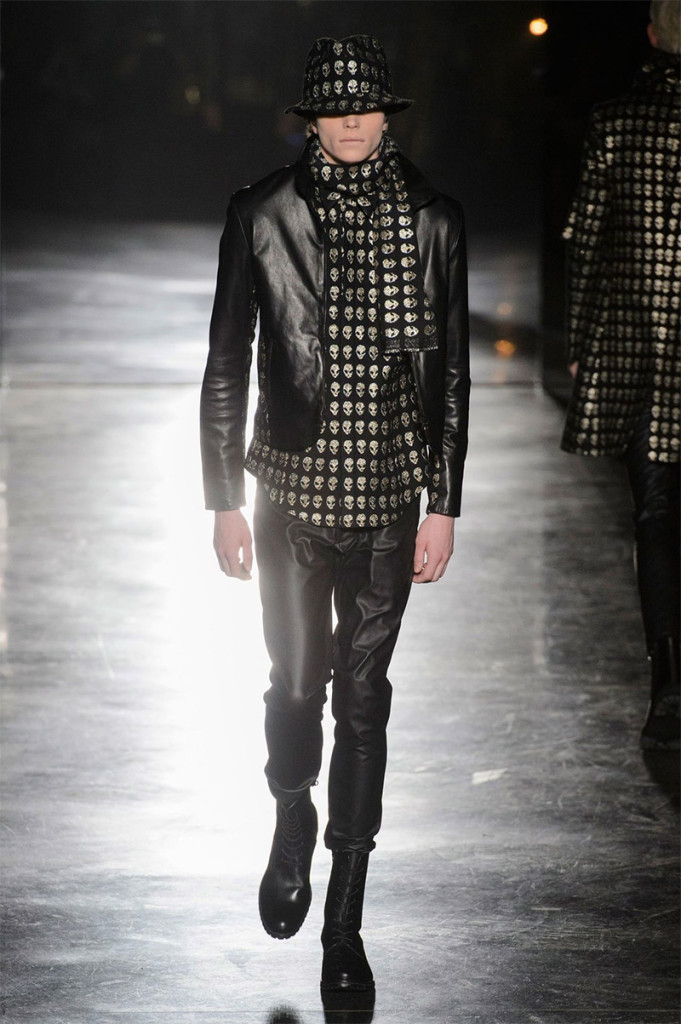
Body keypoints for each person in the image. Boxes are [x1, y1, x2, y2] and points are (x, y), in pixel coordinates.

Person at [200, 35, 469, 999]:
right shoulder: (260, 214)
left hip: (390, 499)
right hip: (290, 498)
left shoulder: (434, 221)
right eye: (335, 108)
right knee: (295, 683)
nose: (352, 122)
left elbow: (451, 374)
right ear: (311, 118)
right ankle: (290, 809)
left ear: (386, 114)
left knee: (363, 700)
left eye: (366, 107)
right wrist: (222, 499)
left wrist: (444, 502)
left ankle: (344, 925)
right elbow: (227, 360)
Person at [561, 0, 680, 750]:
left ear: (651, 36)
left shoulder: (615, 122)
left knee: (655, 516)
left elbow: (586, 238)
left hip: (638, 351)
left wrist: (580, 340)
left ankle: (669, 687)